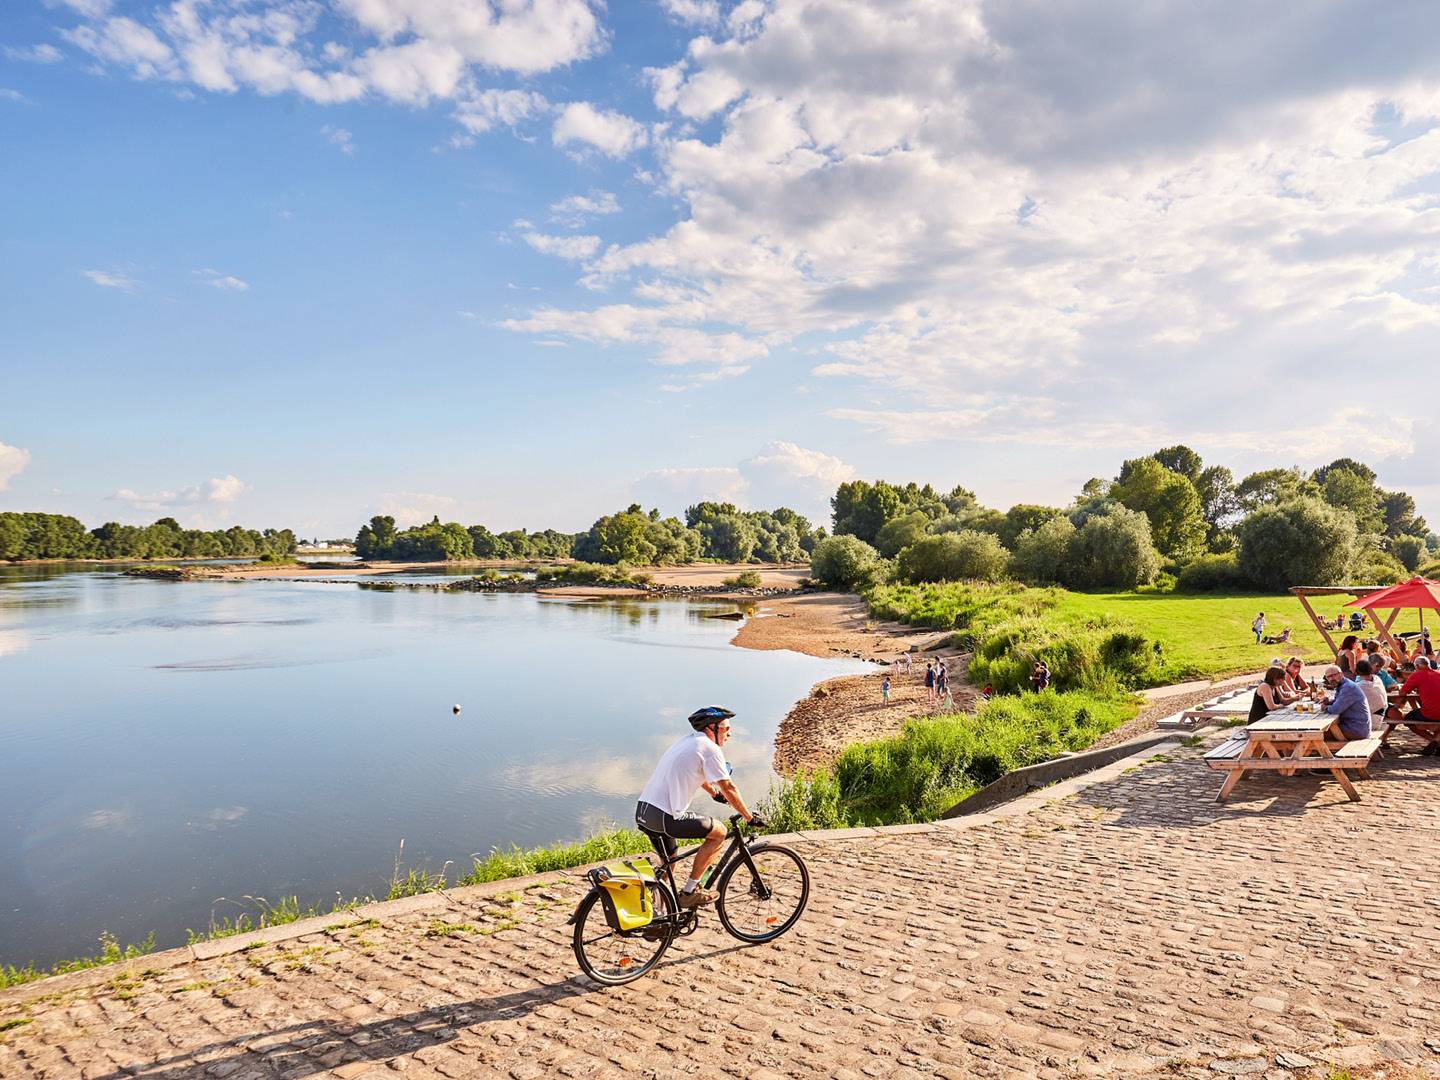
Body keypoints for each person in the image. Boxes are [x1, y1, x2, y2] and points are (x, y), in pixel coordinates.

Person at [635, 707, 762, 907]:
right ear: (711, 728)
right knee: (719, 832)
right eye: (726, 729)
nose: (729, 734)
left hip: (644, 811)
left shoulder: (687, 741)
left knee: (670, 863)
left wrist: (713, 793)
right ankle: (690, 891)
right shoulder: (711, 749)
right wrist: (749, 818)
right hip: (666, 817)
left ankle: (655, 914)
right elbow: (729, 787)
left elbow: (696, 772)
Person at [1394, 655, 1440, 755]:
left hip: (1430, 713)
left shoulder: (1416, 675)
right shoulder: (1438, 674)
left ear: (1417, 666)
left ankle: (1433, 740)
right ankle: (1437, 740)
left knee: (1408, 719)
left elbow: (1402, 693)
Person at [1321, 664, 1372, 742]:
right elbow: (1339, 702)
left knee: (1316, 734)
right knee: (1318, 732)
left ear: (1341, 674)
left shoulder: (1348, 687)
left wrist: (1325, 708)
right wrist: (1329, 702)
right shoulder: (1342, 685)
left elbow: (1335, 710)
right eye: (1329, 677)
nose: (1331, 679)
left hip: (1357, 730)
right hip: (1353, 726)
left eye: (1334, 675)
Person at [1355, 659, 1387, 730]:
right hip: (1380, 716)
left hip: (1371, 721)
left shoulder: (1359, 686)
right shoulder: (1377, 679)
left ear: (1357, 672)